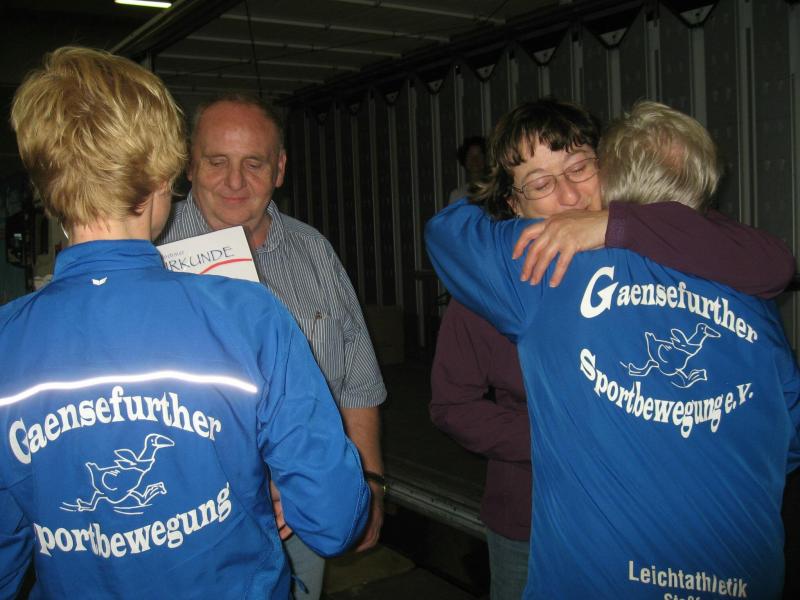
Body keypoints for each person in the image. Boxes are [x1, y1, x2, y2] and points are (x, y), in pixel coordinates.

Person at [0, 47, 369, 599]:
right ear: (168, 173)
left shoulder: (8, 342)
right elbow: (334, 520)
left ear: (47, 183)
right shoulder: (249, 315)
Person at [426, 99, 800, 598]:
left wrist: (620, 225)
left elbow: (770, 261)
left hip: (659, 537)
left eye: (579, 168)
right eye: (540, 184)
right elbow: (452, 406)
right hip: (528, 515)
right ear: (514, 206)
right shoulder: (504, 278)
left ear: (610, 170)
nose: (568, 195)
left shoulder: (692, 255)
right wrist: (564, 436)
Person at [156, 93, 386, 599]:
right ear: (189, 166)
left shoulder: (314, 252)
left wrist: (369, 482)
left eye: (254, 163)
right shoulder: (151, 256)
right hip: (189, 524)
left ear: (279, 169)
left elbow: (356, 380)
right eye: (217, 162)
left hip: (303, 513)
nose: (235, 182)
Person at [448, 136, 487, 204]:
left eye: (479, 155)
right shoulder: (457, 195)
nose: (475, 159)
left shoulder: (494, 192)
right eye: (470, 155)